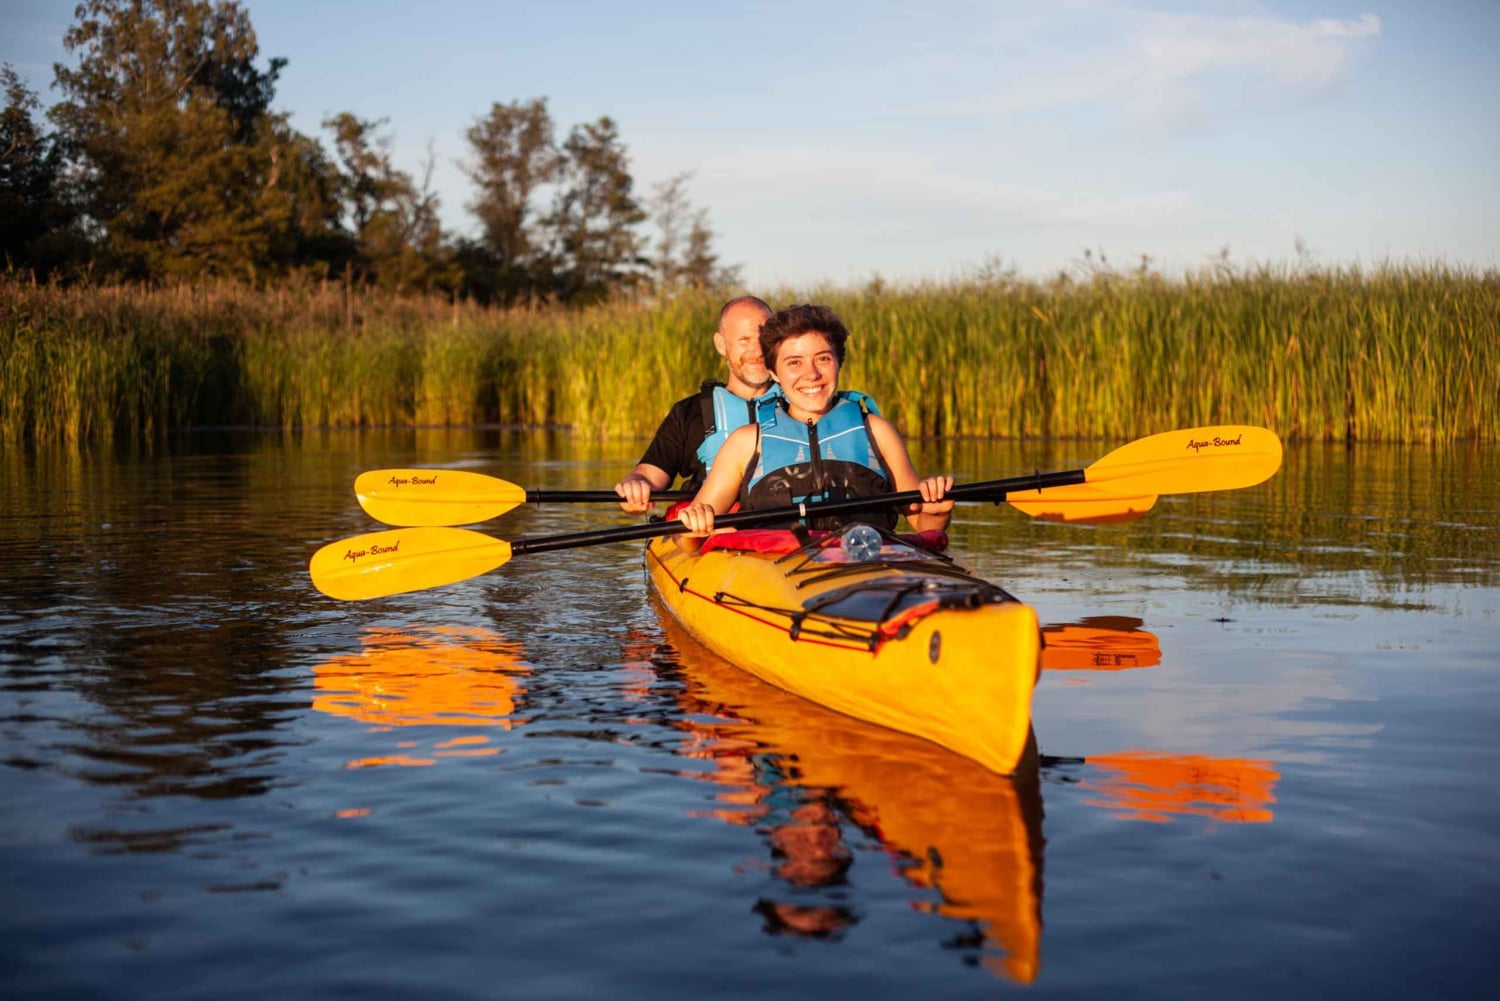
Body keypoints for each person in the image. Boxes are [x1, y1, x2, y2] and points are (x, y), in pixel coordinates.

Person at [674, 303, 953, 541]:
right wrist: (694, 525)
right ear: (773, 371)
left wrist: (937, 513)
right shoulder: (746, 442)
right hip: (773, 577)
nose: (811, 374)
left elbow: (923, 527)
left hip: (866, 564)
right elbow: (685, 541)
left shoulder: (876, 432)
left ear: (838, 363)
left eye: (822, 358)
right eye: (794, 362)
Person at [613, 296, 780, 513]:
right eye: (744, 340)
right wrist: (636, 487)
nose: (758, 351)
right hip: (710, 530)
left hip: (782, 530)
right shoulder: (689, 413)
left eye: (764, 338)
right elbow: (648, 475)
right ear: (721, 345)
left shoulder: (800, 404)